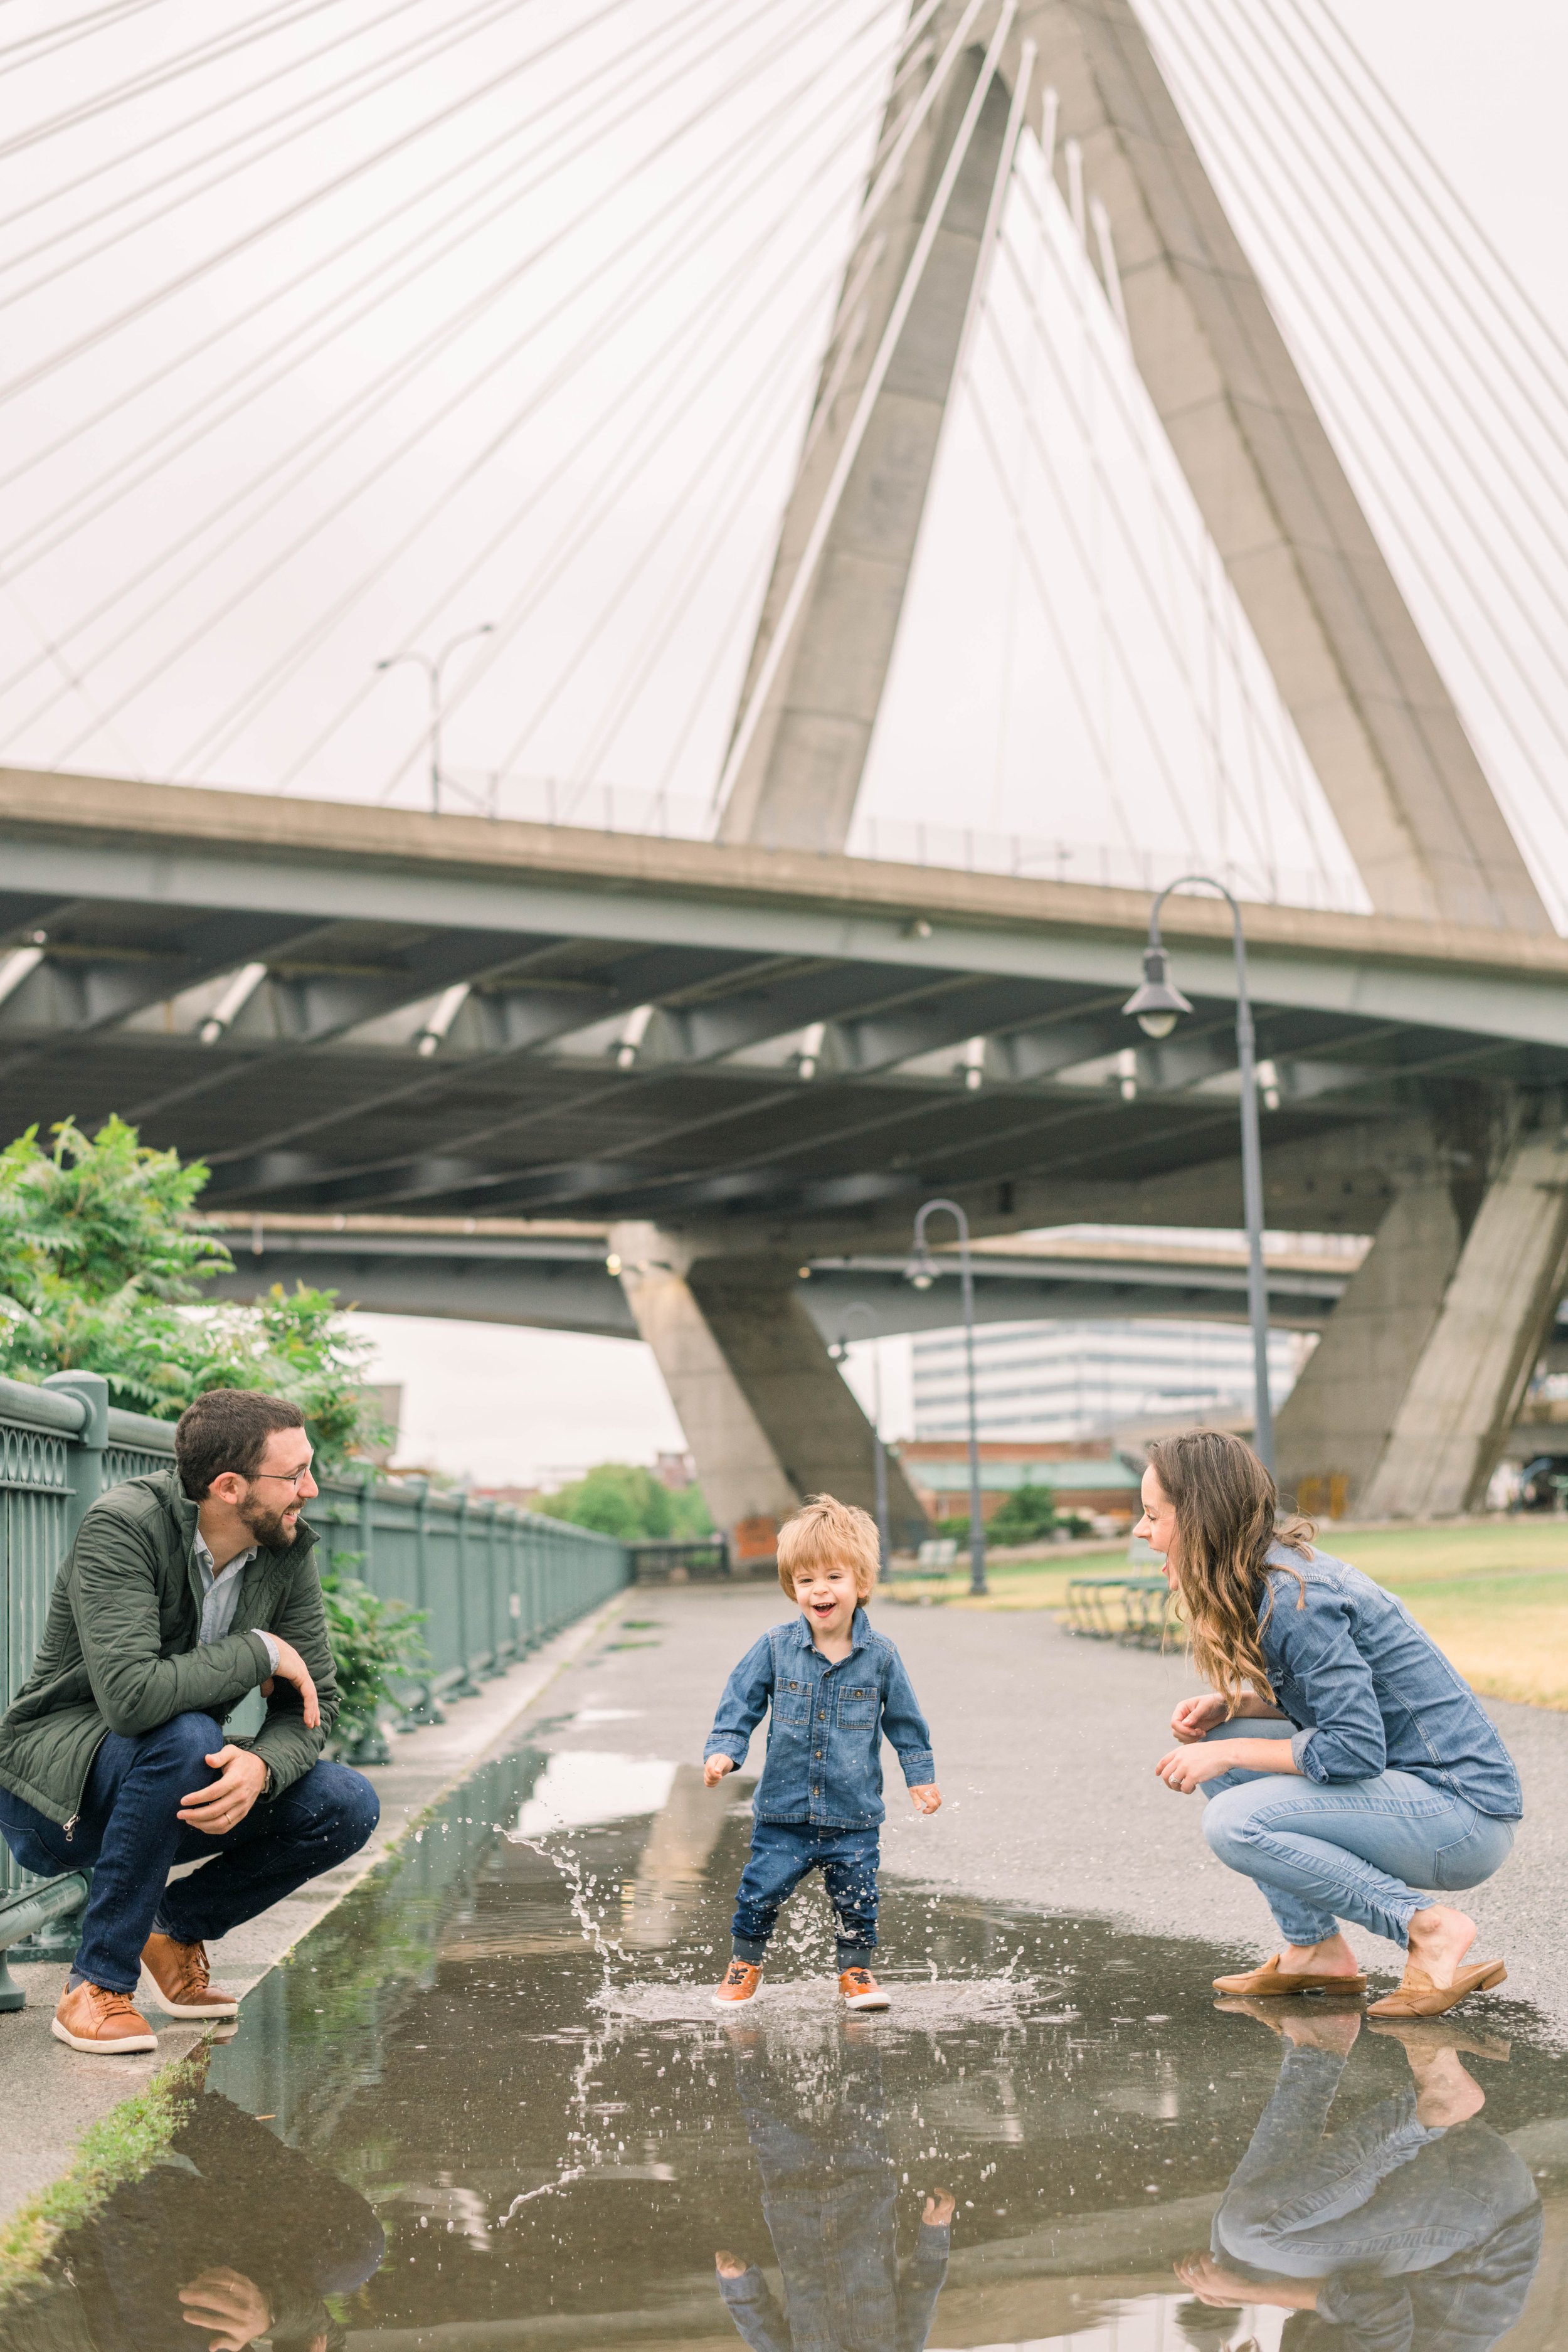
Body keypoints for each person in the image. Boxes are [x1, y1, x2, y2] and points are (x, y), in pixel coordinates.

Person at [0, 1388, 379, 2057]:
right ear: (229, 1486)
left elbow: (313, 1702)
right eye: (293, 1476)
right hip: (53, 1797)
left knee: (346, 1802)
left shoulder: (283, 1548)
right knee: (186, 1736)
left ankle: (174, 1931)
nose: (310, 1490)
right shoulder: (122, 1526)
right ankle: (95, 1986)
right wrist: (258, 1651)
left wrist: (263, 1766)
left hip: (165, 1785)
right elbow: (131, 1700)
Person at [1139, 1429, 1520, 2015]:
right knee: (1220, 1737)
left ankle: (1426, 1929)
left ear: (1199, 1520)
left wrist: (1231, 1754)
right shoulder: (1272, 1578)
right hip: (1416, 1796)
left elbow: (1355, 1749)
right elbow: (1342, 1710)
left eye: (1152, 1516)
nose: (1142, 1532)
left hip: (1461, 1818)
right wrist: (1238, 1709)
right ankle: (1313, 1948)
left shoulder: (1296, 1598)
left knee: (1233, 1821)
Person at [1175, 2003, 1542, 2351]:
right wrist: (1252, 2293)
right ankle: (1433, 2106)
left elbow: (1344, 2298)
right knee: (1253, 2232)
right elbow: (1376, 2305)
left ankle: (1319, 2047)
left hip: (1460, 2192)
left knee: (1232, 2258)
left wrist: (1239, 2286)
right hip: (1479, 2211)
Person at [702, 1494, 941, 2011]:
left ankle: (856, 1973)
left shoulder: (880, 1658)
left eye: (833, 1577)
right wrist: (725, 1751)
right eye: (806, 1581)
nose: (820, 1590)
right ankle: (745, 1963)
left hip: (853, 1813)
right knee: (759, 1892)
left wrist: (919, 1777)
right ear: (793, 1589)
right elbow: (740, 1701)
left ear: (861, 1583)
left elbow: (905, 1722)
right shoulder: (774, 1646)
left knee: (858, 1898)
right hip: (783, 1811)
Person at [0, 2065, 386, 2352]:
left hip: (87, 2316)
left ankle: (93, 2207)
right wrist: (271, 2313)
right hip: (162, 2241)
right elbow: (327, 2338)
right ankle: (182, 2108)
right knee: (352, 2251)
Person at [713, 2023, 954, 2352]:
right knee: (863, 2105)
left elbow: (760, 2329)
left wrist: (737, 2283)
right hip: (864, 2196)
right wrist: (936, 2231)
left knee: (766, 2120)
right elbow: (922, 2291)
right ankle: (859, 2034)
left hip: (794, 2207)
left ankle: (748, 2044)